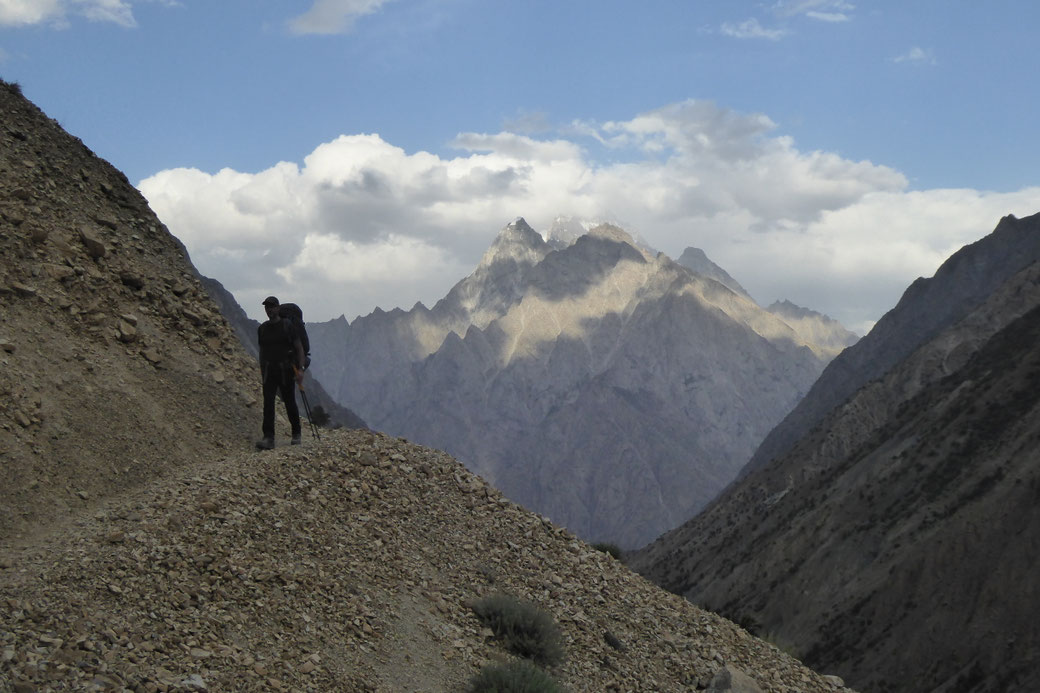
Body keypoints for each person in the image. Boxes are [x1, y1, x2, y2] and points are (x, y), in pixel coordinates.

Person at [256, 296, 306, 450]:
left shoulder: (287, 325)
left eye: (271, 306)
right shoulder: (262, 329)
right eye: (267, 307)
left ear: (278, 308)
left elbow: (299, 347)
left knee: (289, 402)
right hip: (269, 371)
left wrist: (301, 369)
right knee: (268, 404)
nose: (269, 309)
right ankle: (268, 438)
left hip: (285, 370)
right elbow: (262, 351)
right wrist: (262, 369)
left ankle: (296, 434)